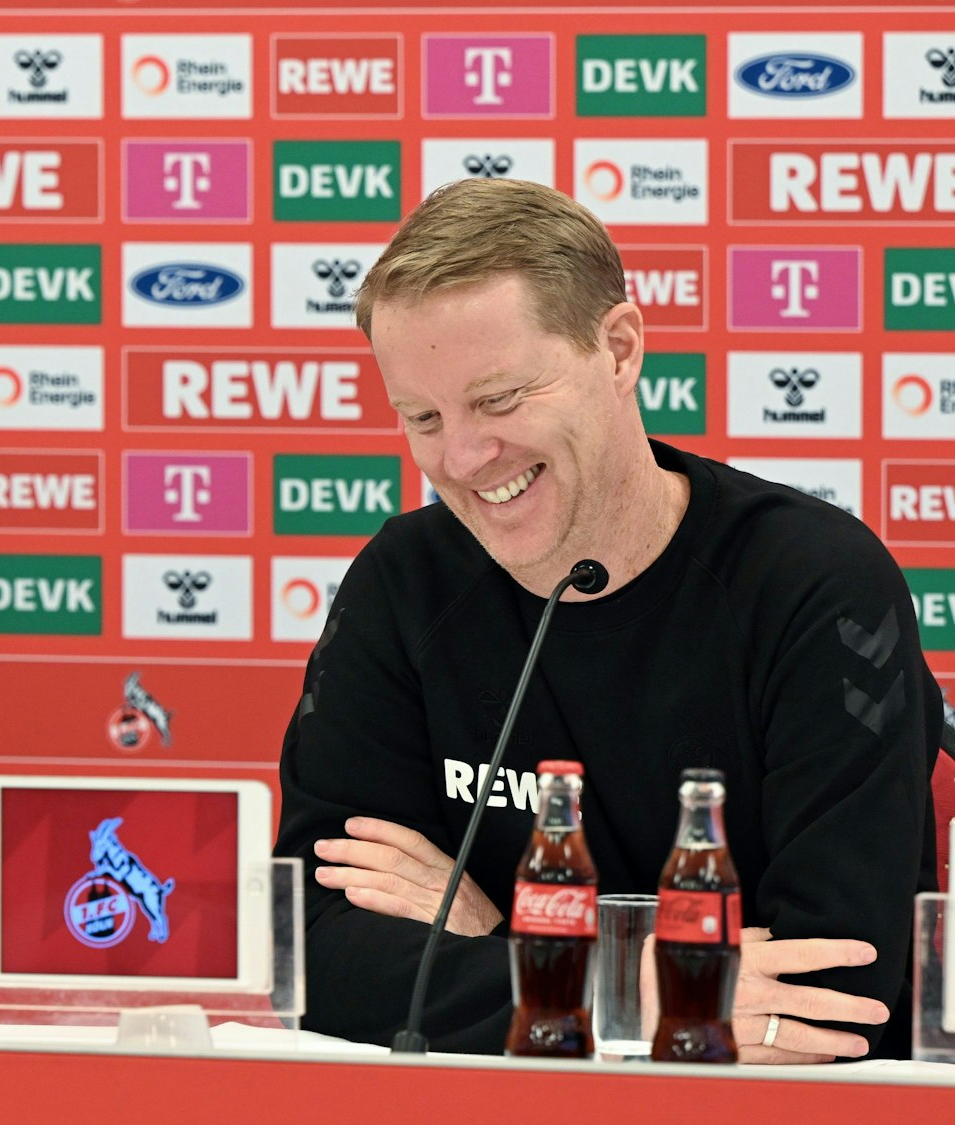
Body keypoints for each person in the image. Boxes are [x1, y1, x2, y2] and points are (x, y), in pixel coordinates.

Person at [274, 177, 938, 1061]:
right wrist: (629, 990)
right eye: (423, 417)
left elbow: (830, 999)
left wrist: (491, 936)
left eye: (502, 399)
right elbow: (312, 954)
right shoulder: (405, 582)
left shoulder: (814, 584)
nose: (465, 457)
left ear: (619, 348)